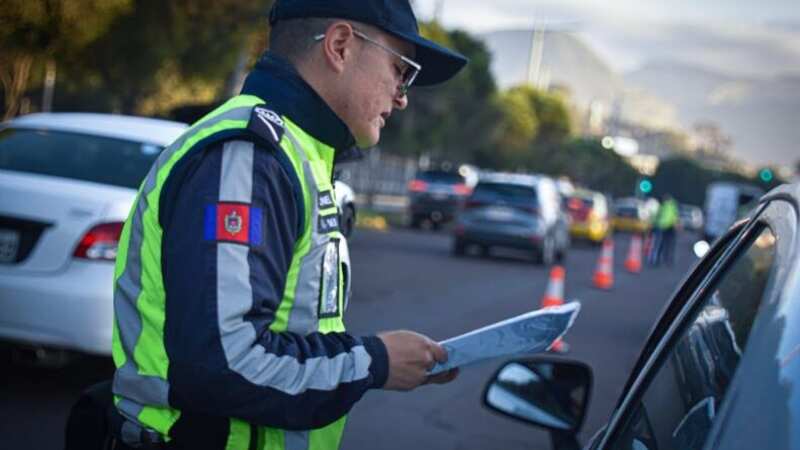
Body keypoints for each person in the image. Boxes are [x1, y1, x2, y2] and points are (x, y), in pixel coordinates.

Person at [108, 1, 467, 449]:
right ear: (340, 46)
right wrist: (375, 362)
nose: (402, 95)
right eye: (400, 69)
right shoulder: (249, 158)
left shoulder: (296, 154)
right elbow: (223, 363)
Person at [652, 194, 679, 266]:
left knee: (659, 245)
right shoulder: (673, 206)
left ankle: (657, 260)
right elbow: (675, 217)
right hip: (669, 227)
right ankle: (666, 260)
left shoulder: (664, 206)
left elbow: (658, 216)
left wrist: (654, 225)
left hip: (663, 227)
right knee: (668, 245)